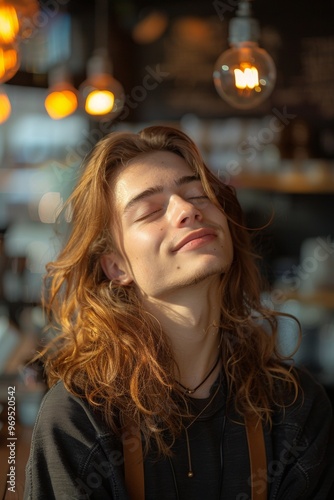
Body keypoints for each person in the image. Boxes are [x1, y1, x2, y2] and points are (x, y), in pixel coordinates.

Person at [24, 125, 334, 500]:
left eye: (198, 194)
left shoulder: (294, 408)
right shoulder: (79, 418)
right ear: (117, 266)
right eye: (151, 210)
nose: (187, 209)